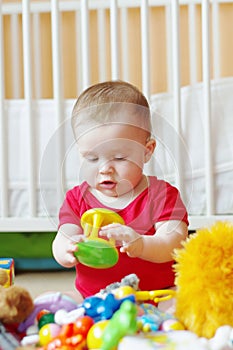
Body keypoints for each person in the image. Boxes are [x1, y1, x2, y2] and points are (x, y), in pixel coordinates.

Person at [52, 80, 188, 303]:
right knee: (55, 302)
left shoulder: (162, 195)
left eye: (119, 157)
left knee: (181, 306)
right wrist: (65, 250)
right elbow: (63, 236)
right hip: (94, 298)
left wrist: (141, 244)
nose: (105, 168)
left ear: (147, 151)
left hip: (156, 295)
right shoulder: (77, 199)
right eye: (92, 158)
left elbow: (172, 243)